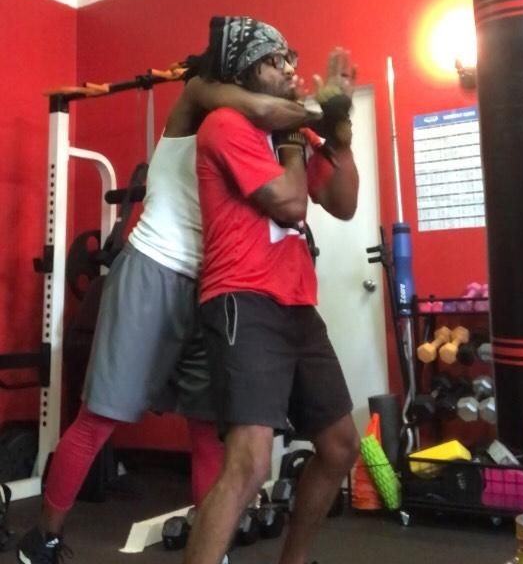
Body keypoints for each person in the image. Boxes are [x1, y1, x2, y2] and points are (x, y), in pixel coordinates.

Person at [17, 52, 320, 564]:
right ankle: (43, 537)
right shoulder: (200, 96)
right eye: (268, 61)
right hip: (153, 270)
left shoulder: (253, 129)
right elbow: (267, 107)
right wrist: (317, 106)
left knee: (206, 428)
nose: (280, 71)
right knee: (101, 418)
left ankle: (211, 550)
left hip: (213, 285)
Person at [185, 16, 361, 564]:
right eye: (274, 62)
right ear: (246, 72)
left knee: (339, 445)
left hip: (295, 306)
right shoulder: (225, 125)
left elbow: (344, 202)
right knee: (249, 464)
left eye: (290, 60)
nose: (289, 70)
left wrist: (339, 137)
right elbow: (289, 203)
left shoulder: (294, 133)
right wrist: (294, 137)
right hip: (242, 300)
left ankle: (295, 560)